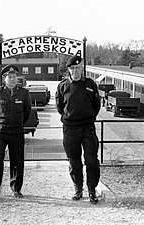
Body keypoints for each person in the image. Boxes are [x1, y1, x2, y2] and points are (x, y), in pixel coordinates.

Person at [55, 54, 101, 204]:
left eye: (77, 68)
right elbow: (60, 107)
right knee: (74, 161)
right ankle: (78, 189)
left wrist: (89, 117)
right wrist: (68, 117)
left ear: (82, 68)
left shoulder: (90, 84)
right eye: (72, 68)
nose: (75, 71)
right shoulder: (62, 86)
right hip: (70, 129)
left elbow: (96, 105)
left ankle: (92, 191)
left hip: (88, 128)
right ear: (68, 69)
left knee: (91, 160)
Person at [0, 64, 32, 198]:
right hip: (1, 131)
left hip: (17, 131)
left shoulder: (24, 94)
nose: (12, 79)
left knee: (17, 160)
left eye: (14, 77)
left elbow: (27, 112)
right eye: (9, 77)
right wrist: (1, 121)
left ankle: (16, 188)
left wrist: (18, 124)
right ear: (4, 79)